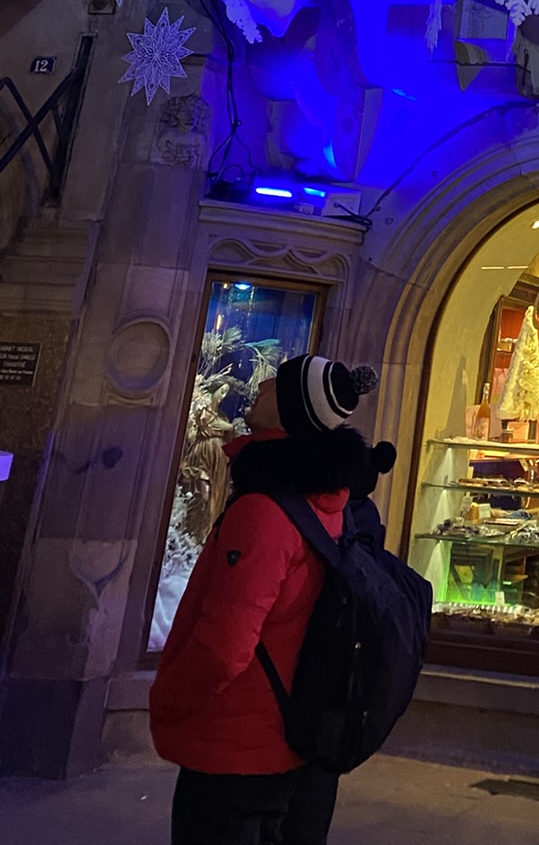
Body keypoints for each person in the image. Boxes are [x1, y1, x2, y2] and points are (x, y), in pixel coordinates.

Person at [150, 355, 388, 845]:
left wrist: (167, 698)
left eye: (275, 384)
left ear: (290, 412)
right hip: (282, 738)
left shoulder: (263, 512)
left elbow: (225, 646)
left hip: (235, 744)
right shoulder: (324, 503)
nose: (259, 387)